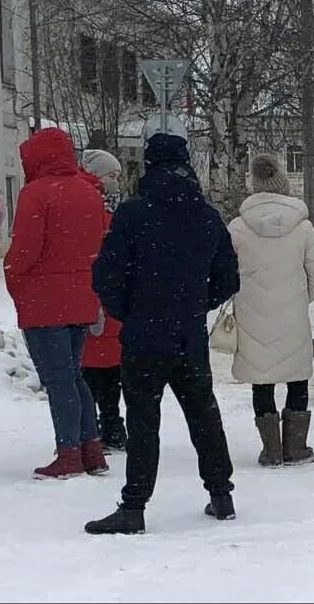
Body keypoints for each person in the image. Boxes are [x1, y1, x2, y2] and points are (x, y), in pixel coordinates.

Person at [85, 128, 240, 535]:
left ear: (149, 165)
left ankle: (134, 506)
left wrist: (131, 310)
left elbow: (105, 275)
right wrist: (192, 304)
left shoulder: (133, 213)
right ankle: (221, 493)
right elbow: (228, 278)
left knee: (142, 420)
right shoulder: (206, 215)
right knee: (203, 413)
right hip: (188, 333)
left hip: (143, 334)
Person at [5, 128, 108, 480]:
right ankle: (91, 447)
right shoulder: (88, 191)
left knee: (58, 379)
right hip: (81, 295)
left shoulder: (37, 194)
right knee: (75, 374)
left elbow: (25, 252)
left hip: (45, 299)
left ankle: (68, 453)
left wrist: (12, 275)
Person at [229, 155, 314, 467]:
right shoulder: (301, 228)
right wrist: (300, 298)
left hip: (252, 316)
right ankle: (296, 447)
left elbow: (225, 274)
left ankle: (271, 449)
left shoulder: (237, 228)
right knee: (297, 378)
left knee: (262, 381)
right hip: (292, 316)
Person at [78, 149, 127, 453]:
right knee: (101, 369)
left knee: (100, 366)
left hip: (99, 297)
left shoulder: (97, 201)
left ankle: (102, 425)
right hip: (97, 296)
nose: (116, 181)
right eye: (112, 175)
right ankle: (106, 424)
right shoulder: (92, 204)